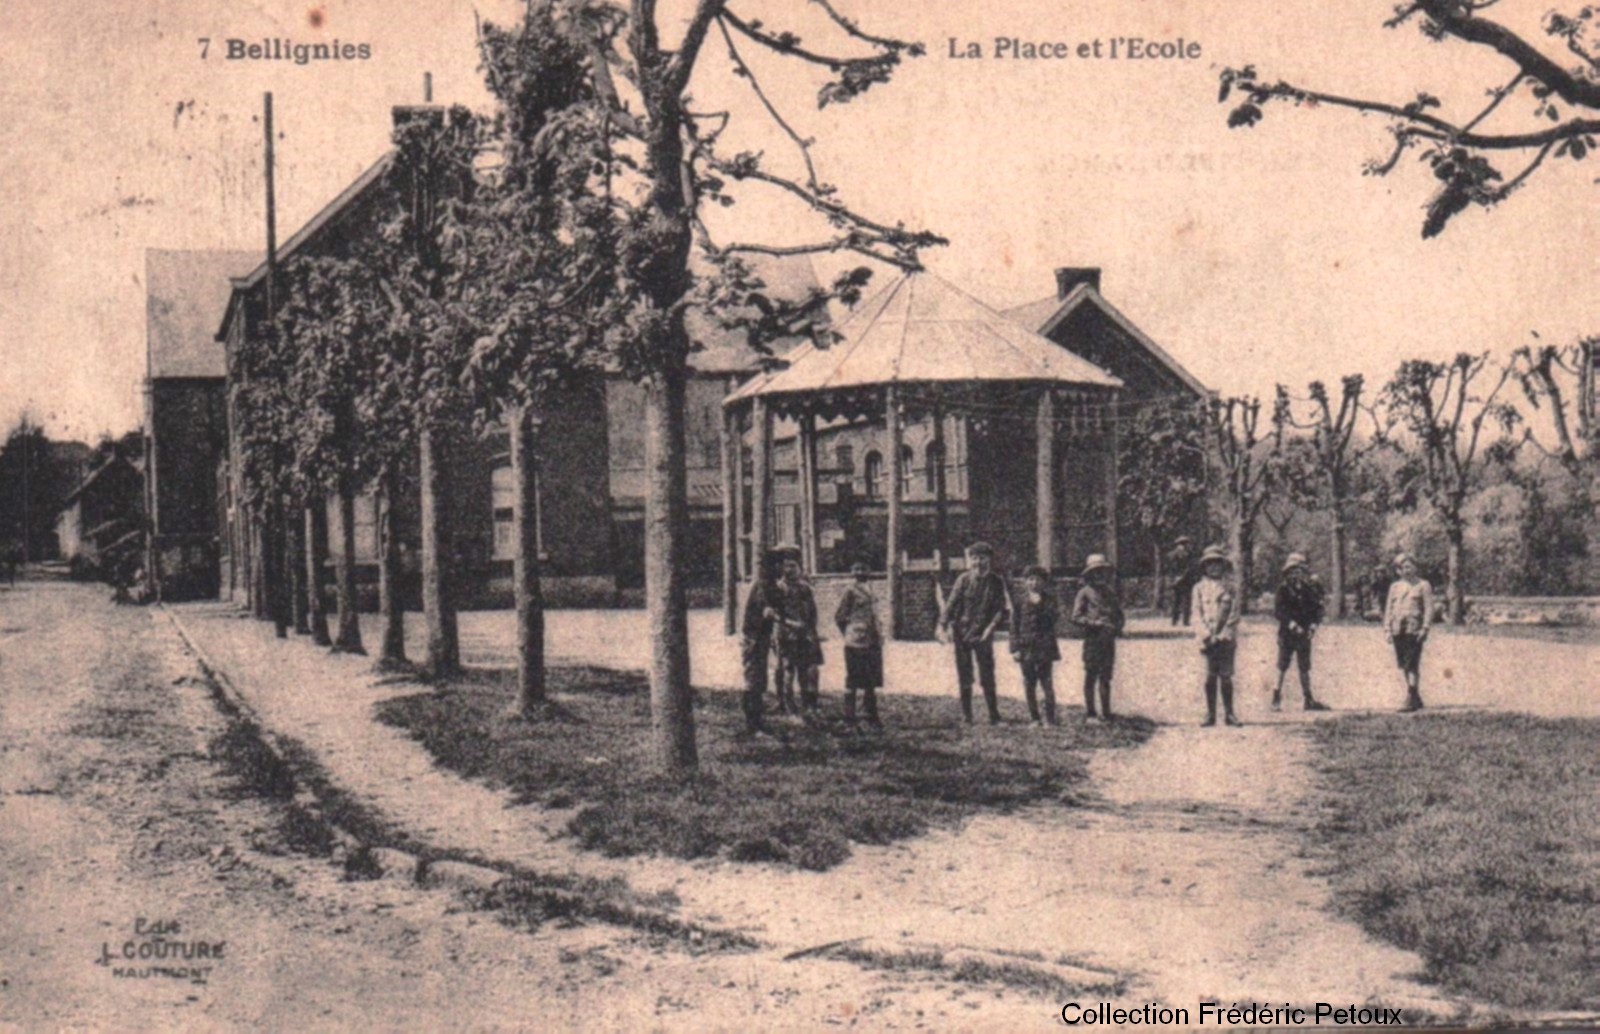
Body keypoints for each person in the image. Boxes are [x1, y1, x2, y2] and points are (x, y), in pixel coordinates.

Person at [938, 542, 1011, 725]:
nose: (978, 563)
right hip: (962, 634)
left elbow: (1000, 609)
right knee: (965, 675)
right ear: (970, 560)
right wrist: (942, 625)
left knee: (987, 675)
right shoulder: (963, 580)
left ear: (989, 560)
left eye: (983, 558)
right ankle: (967, 716)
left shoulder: (996, 581)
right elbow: (951, 604)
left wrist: (990, 628)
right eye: (975, 558)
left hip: (983, 634)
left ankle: (994, 716)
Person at [1273, 553, 1329, 712]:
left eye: (1301, 571)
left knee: (1304, 666)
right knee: (1282, 665)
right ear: (1288, 572)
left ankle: (1308, 698)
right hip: (1287, 633)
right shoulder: (1283, 590)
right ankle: (1276, 696)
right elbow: (1279, 611)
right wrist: (1291, 624)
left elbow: (1317, 610)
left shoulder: (1308, 590)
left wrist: (1312, 626)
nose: (1297, 574)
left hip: (1304, 634)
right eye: (1293, 571)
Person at [1071, 554, 1125, 722]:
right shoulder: (1084, 593)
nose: (1099, 575)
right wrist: (1093, 623)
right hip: (1093, 638)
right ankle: (1091, 712)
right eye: (1095, 572)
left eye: (1102, 572)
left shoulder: (1110, 592)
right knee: (1091, 675)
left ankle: (1106, 712)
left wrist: (1117, 626)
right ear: (1089, 574)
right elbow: (1076, 616)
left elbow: (1119, 615)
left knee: (1106, 676)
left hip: (1107, 639)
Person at [1193, 545, 1241, 727]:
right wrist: (1205, 634)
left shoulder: (1230, 588)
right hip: (1208, 640)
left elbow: (1234, 614)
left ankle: (1229, 714)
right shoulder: (1198, 588)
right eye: (1209, 564)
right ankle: (1210, 714)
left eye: (1217, 564)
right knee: (1210, 677)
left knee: (1226, 676)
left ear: (1223, 566)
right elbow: (1196, 614)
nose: (1214, 568)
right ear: (1204, 567)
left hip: (1225, 639)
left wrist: (1223, 634)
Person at [772, 548, 822, 716]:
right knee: (787, 669)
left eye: (793, 566)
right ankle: (787, 704)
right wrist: (790, 625)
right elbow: (774, 614)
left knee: (810, 669)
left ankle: (810, 704)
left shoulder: (805, 588)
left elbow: (812, 612)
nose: (790, 570)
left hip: (806, 634)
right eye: (787, 566)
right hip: (787, 634)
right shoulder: (778, 588)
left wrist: (811, 631)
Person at [739, 549, 784, 734]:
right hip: (753, 639)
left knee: (760, 680)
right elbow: (768, 612)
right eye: (778, 564)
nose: (781, 568)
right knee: (753, 681)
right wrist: (791, 623)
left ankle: (757, 721)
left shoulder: (772, 585)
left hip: (762, 638)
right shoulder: (762, 586)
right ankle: (752, 725)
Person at [834, 562, 883, 729]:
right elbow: (840, 617)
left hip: (873, 640)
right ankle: (850, 716)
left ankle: (870, 715)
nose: (860, 572)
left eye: (864, 568)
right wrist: (850, 633)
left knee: (871, 678)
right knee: (853, 678)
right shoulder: (850, 591)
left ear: (869, 570)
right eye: (856, 569)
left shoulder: (871, 588)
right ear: (851, 571)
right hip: (855, 641)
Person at [1011, 565, 1062, 726]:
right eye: (1030, 579)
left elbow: (1053, 619)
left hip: (1045, 647)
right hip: (1026, 647)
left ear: (1044, 582)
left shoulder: (1050, 600)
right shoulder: (1019, 601)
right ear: (1025, 582)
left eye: (1037, 579)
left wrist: (1039, 604)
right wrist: (1015, 648)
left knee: (1046, 682)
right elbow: (1014, 626)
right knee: (1029, 682)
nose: (1034, 583)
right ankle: (1034, 718)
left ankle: (1050, 719)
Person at [1384, 553, 1433, 713]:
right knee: (1404, 664)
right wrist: (1387, 629)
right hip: (1398, 628)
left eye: (1409, 566)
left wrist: (1425, 628)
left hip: (1414, 628)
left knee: (1412, 662)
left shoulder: (1423, 585)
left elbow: (1428, 609)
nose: (1406, 570)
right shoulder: (1395, 587)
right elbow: (1388, 610)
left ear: (1415, 567)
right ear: (1398, 570)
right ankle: (1415, 697)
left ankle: (1410, 697)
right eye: (1403, 567)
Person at [1168, 536, 1197, 626]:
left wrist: (1174, 579)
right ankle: (1181, 620)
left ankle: (1178, 620)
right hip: (1184, 580)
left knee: (1179, 601)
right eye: (1184, 544)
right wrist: (1178, 578)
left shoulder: (1171, 554)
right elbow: (1189, 568)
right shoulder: (1188, 554)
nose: (1185, 546)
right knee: (1183, 601)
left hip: (1181, 580)